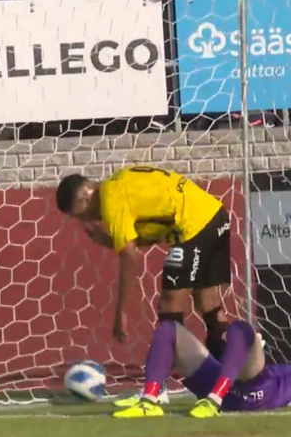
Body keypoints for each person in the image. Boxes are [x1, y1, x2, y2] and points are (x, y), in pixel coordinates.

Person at [56, 167, 234, 412]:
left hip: (194, 226)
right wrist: (111, 241)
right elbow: (154, 227)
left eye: (82, 215)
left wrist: (122, 313)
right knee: (209, 305)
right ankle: (231, 384)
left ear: (85, 199)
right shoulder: (119, 184)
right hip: (214, 215)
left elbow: (130, 257)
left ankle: (157, 390)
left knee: (170, 304)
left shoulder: (110, 200)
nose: (90, 220)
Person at [117, 318, 291, 418]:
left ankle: (213, 401)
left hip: (259, 390)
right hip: (228, 384)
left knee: (242, 328)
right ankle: (149, 401)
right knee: (169, 330)